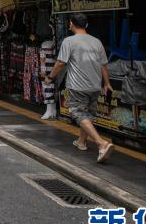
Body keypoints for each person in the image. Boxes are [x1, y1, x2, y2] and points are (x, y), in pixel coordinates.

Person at [45, 13, 114, 163]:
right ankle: (81, 142)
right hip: (95, 86)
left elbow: (61, 63)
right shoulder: (97, 42)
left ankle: (101, 144)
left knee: (79, 114)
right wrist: (107, 83)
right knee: (87, 115)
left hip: (78, 86)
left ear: (71, 24)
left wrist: (50, 77)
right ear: (86, 25)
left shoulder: (69, 41)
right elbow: (103, 64)